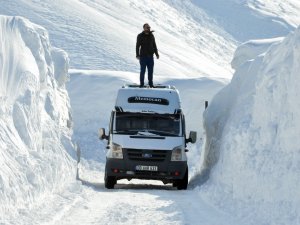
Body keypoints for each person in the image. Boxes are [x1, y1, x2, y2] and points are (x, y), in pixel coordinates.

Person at [136, 23, 159, 88]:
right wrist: (137, 55)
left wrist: (157, 54)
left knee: (150, 71)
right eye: (147, 27)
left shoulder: (151, 35)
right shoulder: (140, 36)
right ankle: (141, 84)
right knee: (142, 71)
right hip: (143, 57)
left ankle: (151, 84)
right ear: (144, 28)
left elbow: (154, 45)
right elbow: (137, 46)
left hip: (150, 57)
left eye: (149, 27)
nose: (149, 28)